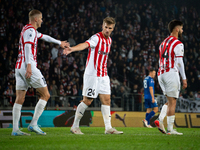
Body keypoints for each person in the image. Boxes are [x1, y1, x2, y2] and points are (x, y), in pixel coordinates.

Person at [12, 9, 68, 136]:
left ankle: (15, 130)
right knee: (46, 95)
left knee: (20, 98)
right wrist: (29, 66)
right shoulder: (31, 31)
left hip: (19, 67)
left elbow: (45, 37)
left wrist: (59, 43)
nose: (42, 20)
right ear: (36, 19)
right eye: (41, 18)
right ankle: (33, 124)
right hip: (27, 66)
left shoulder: (28, 29)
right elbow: (27, 47)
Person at [63, 17, 123, 134]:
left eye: (109, 28)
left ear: (112, 29)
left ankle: (108, 128)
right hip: (92, 74)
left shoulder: (109, 40)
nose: (107, 30)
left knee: (107, 100)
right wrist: (73, 49)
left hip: (104, 75)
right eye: (105, 27)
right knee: (87, 101)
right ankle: (75, 126)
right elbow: (85, 44)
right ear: (102, 25)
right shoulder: (96, 38)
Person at [154, 20, 187, 135]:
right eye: (181, 28)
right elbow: (179, 62)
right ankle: (170, 129)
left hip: (161, 73)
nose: (182, 31)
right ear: (177, 29)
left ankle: (160, 120)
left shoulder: (163, 43)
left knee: (169, 100)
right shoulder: (178, 43)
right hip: (171, 73)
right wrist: (184, 78)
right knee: (173, 102)